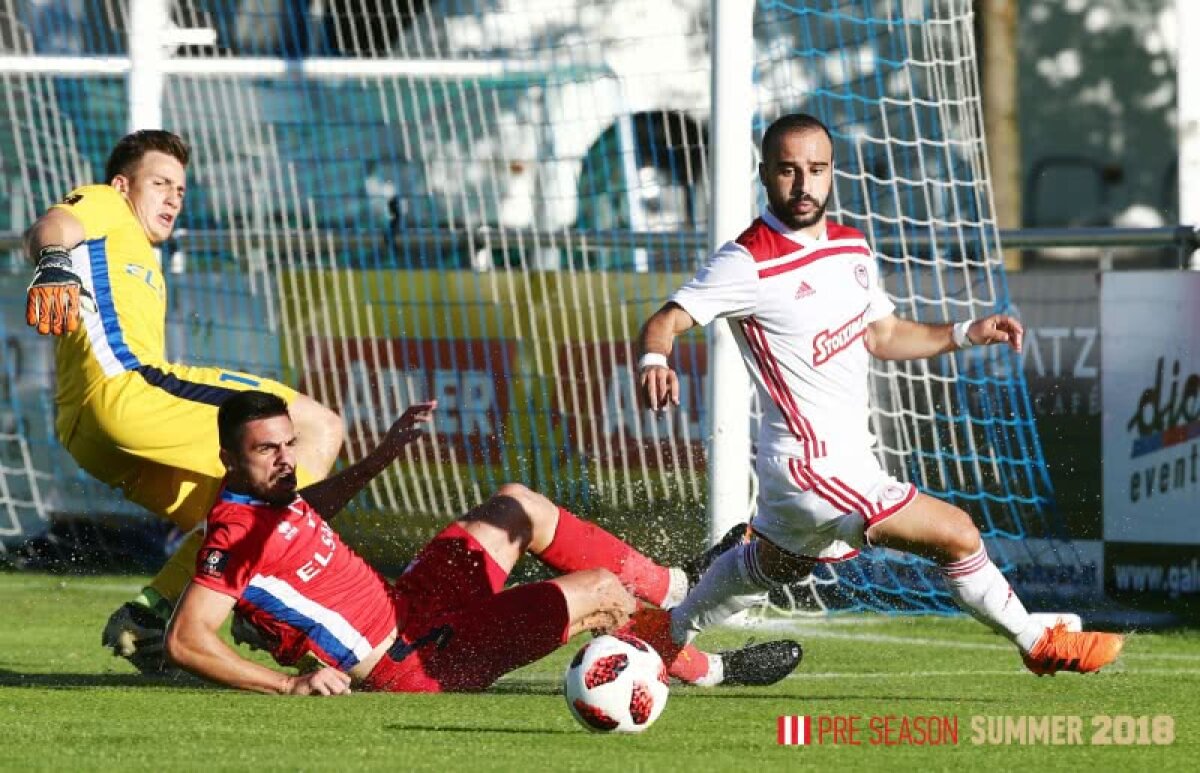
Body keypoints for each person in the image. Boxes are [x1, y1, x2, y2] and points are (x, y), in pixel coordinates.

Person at [629, 112, 1124, 676]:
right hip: (809, 466)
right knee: (958, 535)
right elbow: (665, 319)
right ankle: (1039, 642)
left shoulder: (850, 248)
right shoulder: (747, 259)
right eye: (788, 171)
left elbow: (882, 334)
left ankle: (661, 635)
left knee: (770, 567)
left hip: (841, 460)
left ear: (832, 173)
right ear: (764, 174)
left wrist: (964, 332)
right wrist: (655, 358)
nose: (803, 184)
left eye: (816, 170)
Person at [164, 390, 803, 694]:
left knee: (518, 505)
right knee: (603, 594)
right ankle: (711, 670)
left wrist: (380, 458)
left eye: (287, 444)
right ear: (227, 457)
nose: (284, 459)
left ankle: (675, 585)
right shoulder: (235, 533)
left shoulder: (270, 499)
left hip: (410, 607)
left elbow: (304, 509)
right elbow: (187, 638)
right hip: (413, 663)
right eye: (265, 449)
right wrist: (288, 686)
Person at [23, 130, 345, 672]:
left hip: (91, 434)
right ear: (124, 185)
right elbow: (50, 226)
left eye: (180, 189)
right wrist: (53, 261)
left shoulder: (139, 256)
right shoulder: (108, 205)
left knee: (234, 516)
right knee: (316, 425)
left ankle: (151, 615)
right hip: (127, 392)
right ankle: (275, 600)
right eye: (160, 183)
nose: (173, 197)